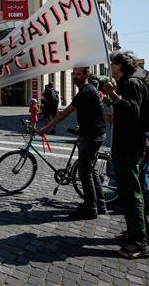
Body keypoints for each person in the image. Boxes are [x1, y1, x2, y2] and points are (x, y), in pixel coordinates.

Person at [38, 67, 107, 219]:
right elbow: (92, 114)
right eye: (74, 74)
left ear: (86, 75)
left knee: (84, 173)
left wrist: (45, 128)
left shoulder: (85, 92)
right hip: (92, 132)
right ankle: (100, 204)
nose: (75, 76)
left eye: (79, 74)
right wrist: (81, 127)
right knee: (91, 170)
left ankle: (90, 208)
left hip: (91, 136)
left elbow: (63, 113)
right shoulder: (88, 90)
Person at [103, 50, 149, 259]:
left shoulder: (131, 83)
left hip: (130, 146)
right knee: (127, 192)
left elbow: (134, 111)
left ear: (119, 66)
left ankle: (140, 243)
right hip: (124, 144)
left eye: (111, 63)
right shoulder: (124, 84)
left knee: (132, 194)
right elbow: (127, 113)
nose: (109, 66)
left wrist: (113, 96)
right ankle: (133, 232)